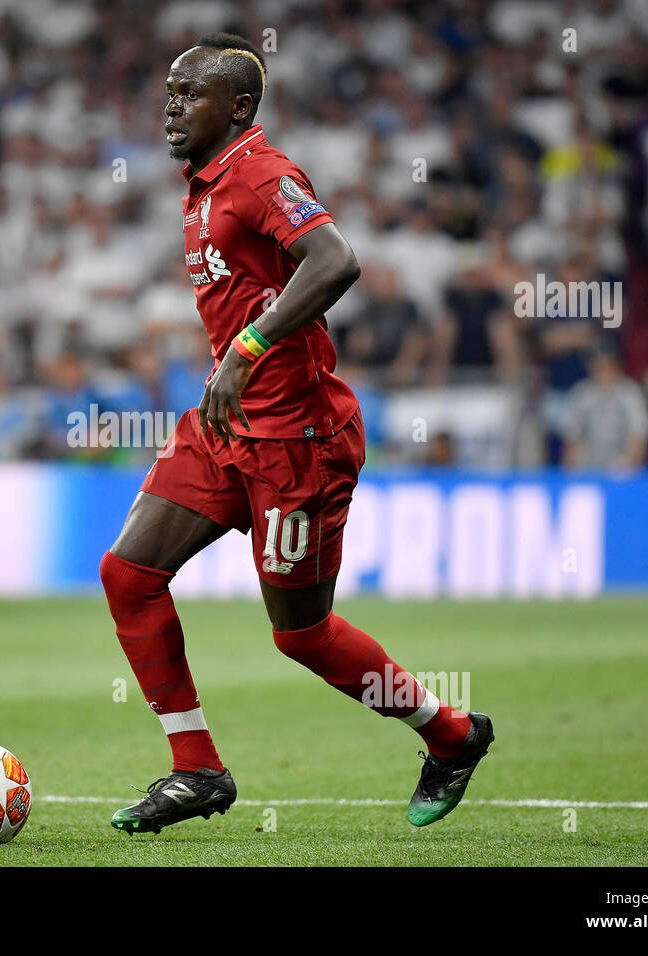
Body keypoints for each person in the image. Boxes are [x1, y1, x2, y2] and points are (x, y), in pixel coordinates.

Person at [100, 34, 492, 835]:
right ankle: (196, 768)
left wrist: (248, 348)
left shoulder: (258, 174)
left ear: (239, 107)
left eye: (190, 94)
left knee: (302, 635)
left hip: (297, 439)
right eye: (169, 92)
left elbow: (336, 260)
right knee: (128, 573)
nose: (171, 107)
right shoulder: (204, 185)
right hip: (223, 425)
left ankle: (451, 735)